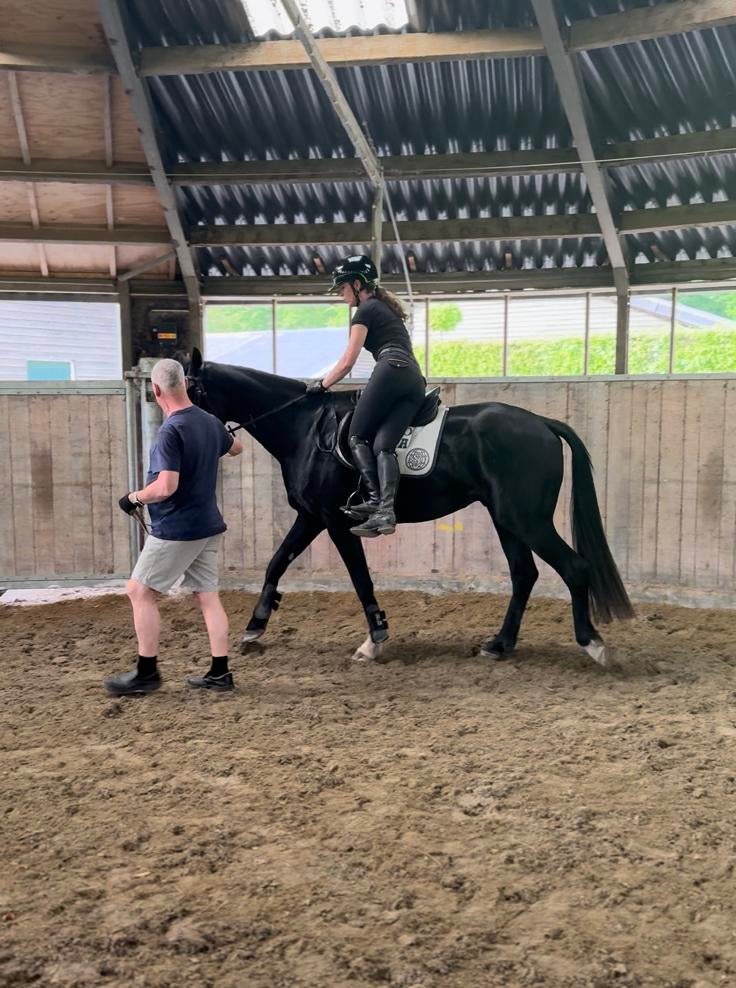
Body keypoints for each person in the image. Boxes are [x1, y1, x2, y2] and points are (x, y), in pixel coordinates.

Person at [106, 357, 243, 697]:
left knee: (139, 592)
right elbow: (237, 447)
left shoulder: (170, 430)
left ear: (155, 390)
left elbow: (166, 487)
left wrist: (135, 497)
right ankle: (220, 672)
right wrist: (214, 441)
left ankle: (147, 673)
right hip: (208, 524)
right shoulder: (209, 421)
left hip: (178, 527)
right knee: (207, 596)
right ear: (184, 384)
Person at [306, 254, 425, 538]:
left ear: (357, 284)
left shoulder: (365, 311)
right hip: (413, 379)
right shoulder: (385, 309)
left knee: (356, 436)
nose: (341, 293)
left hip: (391, 369)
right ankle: (385, 510)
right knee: (384, 446)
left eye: (343, 287)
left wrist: (322, 385)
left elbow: (348, 361)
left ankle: (373, 500)